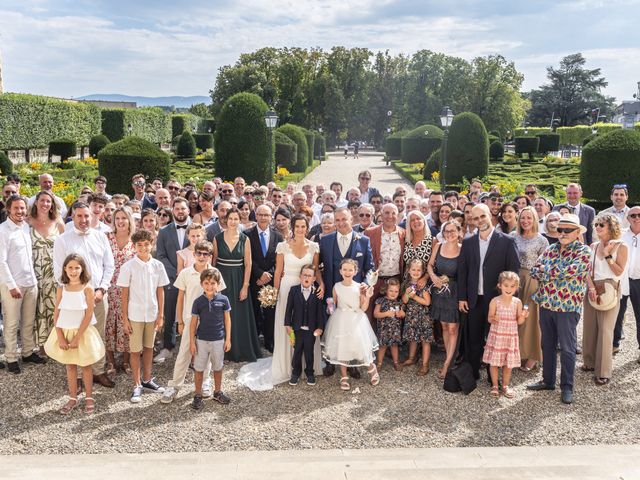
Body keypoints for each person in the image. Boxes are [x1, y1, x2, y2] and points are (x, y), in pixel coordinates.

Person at [528, 214, 592, 404]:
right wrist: (549, 272)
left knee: (567, 348)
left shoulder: (584, 251)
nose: (562, 233)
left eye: (567, 230)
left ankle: (567, 387)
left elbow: (570, 271)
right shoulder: (550, 248)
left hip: (567, 307)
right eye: (560, 229)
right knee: (546, 344)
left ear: (577, 232)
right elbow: (534, 270)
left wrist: (546, 272)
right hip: (546, 303)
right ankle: (548, 381)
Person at [53, 201, 115, 387]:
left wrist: (102, 289)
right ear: (73, 216)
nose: (83, 219)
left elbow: (109, 265)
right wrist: (75, 293)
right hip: (74, 298)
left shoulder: (101, 237)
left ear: (92, 216)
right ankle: (79, 376)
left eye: (86, 215)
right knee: (75, 334)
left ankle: (98, 371)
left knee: (98, 335)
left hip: (98, 295)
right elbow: (58, 271)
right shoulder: (62, 240)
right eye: (79, 216)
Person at [458, 203, 520, 380]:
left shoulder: (507, 241)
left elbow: (513, 271)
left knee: (497, 340)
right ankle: (473, 372)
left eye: (482, 216)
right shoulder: (468, 242)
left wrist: (510, 300)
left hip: (498, 300)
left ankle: (495, 378)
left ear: (490, 215)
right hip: (474, 298)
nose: (480, 221)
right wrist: (462, 297)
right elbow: (463, 272)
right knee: (474, 338)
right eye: (475, 218)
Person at [162, 241, 226, 403]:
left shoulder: (215, 272)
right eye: (199, 253)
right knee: (184, 352)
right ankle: (175, 385)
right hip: (190, 319)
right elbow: (181, 298)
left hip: (209, 321)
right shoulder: (185, 273)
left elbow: (219, 297)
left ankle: (205, 381)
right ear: (194, 254)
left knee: (206, 353)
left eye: (206, 254)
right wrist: (181, 321)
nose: (202, 257)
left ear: (210, 257)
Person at [44, 254, 105, 414]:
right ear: (65, 269)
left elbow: (88, 314)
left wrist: (78, 337)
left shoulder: (88, 288)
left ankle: (89, 397)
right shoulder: (61, 288)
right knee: (70, 366)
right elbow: (56, 313)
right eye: (70, 267)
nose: (73, 271)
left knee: (85, 365)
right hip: (65, 331)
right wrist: (60, 336)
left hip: (82, 333)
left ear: (82, 269)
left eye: (77, 267)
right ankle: (72, 397)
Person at [118, 229, 169, 403]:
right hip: (135, 314)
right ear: (134, 246)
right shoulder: (128, 267)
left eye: (147, 244)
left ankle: (147, 379)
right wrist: (125, 318)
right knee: (135, 350)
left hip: (152, 313)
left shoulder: (157, 266)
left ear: (151, 244)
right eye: (139, 245)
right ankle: (137, 384)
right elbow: (124, 295)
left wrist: (161, 315)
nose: (143, 248)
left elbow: (160, 291)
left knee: (148, 347)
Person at [0, 195, 44, 373]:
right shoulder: (2, 231)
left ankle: (27, 352)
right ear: (9, 209)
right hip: (13, 285)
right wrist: (12, 285)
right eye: (16, 208)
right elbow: (1, 261)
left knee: (28, 321)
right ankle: (11, 357)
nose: (20, 211)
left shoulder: (26, 227)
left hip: (30, 282)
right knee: (11, 323)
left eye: (22, 208)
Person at [583, 213, 627, 386]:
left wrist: (608, 255)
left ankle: (603, 371)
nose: (598, 227)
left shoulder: (621, 246)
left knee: (606, 330)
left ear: (611, 226)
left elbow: (618, 272)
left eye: (602, 225)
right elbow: (586, 270)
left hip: (610, 290)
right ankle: (589, 362)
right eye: (597, 225)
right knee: (590, 326)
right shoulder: (592, 246)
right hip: (593, 289)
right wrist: (591, 287)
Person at [322, 258, 379, 391]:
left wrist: (369, 296)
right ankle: (344, 376)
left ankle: (372, 369)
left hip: (356, 319)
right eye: (345, 269)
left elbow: (363, 308)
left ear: (355, 271)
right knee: (343, 347)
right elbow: (333, 306)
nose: (347, 272)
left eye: (350, 269)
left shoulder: (359, 287)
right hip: (340, 319)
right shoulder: (336, 286)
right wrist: (329, 307)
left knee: (360, 346)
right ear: (340, 271)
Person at [212, 208, 261, 362]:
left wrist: (245, 286)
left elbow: (248, 264)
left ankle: (240, 350)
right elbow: (213, 264)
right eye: (230, 219)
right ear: (226, 220)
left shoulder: (244, 239)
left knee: (239, 315)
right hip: (222, 280)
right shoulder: (217, 238)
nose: (233, 222)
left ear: (240, 221)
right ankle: (222, 352)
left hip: (239, 278)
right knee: (221, 314)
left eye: (236, 219)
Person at [154, 197, 191, 363]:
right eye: (177, 209)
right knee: (169, 313)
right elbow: (161, 255)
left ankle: (191, 348)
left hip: (193, 279)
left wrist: (188, 274)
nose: (180, 212)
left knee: (192, 312)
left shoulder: (197, 229)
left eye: (183, 209)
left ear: (188, 210)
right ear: (173, 211)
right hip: (171, 278)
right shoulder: (164, 231)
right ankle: (168, 347)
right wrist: (176, 274)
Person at [189, 268, 232, 410]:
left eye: (213, 283)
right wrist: (192, 342)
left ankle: (217, 392)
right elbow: (193, 323)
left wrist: (228, 339)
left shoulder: (223, 300)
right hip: (201, 340)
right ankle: (197, 395)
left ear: (218, 284)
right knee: (199, 368)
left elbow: (227, 320)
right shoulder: (198, 302)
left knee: (218, 367)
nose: (209, 286)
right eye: (206, 283)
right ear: (202, 284)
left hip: (218, 340)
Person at [29, 191, 65, 357]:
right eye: (42, 200)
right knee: (39, 307)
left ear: (52, 204)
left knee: (55, 306)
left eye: (48, 201)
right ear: (36, 202)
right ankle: (42, 345)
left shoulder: (58, 222)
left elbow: (66, 247)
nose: (45, 204)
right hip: (35, 270)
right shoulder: (28, 222)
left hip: (55, 271)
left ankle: (57, 343)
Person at [513, 206, 549, 372]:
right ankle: (518, 353)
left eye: (529, 218)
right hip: (513, 280)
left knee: (530, 318)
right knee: (515, 317)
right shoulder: (514, 236)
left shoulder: (542, 240)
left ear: (535, 220)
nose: (525, 221)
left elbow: (546, 265)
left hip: (531, 280)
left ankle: (533, 356)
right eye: (522, 218)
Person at [483, 271, 528, 398]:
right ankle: (495, 385)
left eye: (512, 286)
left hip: (510, 337)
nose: (509, 288)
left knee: (508, 365)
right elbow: (489, 318)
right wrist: (494, 318)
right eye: (506, 285)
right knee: (494, 363)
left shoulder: (518, 302)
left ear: (516, 287)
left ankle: (505, 386)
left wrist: (523, 316)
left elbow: (519, 321)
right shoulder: (495, 301)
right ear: (500, 285)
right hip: (497, 337)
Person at [245, 205, 283, 353]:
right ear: (255, 215)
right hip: (254, 280)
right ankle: (254, 344)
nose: (263, 217)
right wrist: (260, 274)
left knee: (269, 313)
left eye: (266, 215)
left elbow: (278, 261)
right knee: (254, 312)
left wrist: (268, 275)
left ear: (270, 216)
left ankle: (269, 342)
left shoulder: (278, 236)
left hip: (270, 281)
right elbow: (248, 258)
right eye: (260, 214)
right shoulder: (247, 234)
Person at [427, 220, 462, 379]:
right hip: (439, 292)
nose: (449, 234)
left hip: (454, 292)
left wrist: (451, 279)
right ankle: (450, 357)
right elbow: (429, 265)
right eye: (446, 231)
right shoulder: (438, 246)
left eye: (452, 231)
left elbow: (466, 273)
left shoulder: (463, 249)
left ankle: (447, 364)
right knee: (445, 328)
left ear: (459, 232)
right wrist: (433, 276)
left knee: (453, 328)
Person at [105, 207, 136, 375]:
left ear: (129, 219)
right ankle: (110, 361)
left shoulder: (135, 240)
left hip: (128, 289)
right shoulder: (106, 238)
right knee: (109, 323)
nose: (121, 221)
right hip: (109, 287)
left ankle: (125, 361)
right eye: (117, 218)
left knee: (126, 322)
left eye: (124, 217)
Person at [284, 264, 326, 386]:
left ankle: (310, 372)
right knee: (297, 351)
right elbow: (289, 309)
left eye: (310, 275)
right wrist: (287, 324)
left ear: (313, 278)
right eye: (305, 275)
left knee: (309, 351)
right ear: (300, 276)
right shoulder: (294, 290)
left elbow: (319, 312)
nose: (307, 277)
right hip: (296, 328)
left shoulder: (317, 292)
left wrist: (320, 327)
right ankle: (295, 373)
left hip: (311, 329)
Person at [365, 204, 406, 323]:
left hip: (395, 281)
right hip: (375, 280)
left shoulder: (404, 234)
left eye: (393, 213)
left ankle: (392, 341)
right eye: (387, 213)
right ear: (381, 215)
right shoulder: (370, 232)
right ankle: (373, 340)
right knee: (372, 312)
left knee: (393, 316)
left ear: (397, 215)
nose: (390, 216)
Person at [615, 207, 640, 358]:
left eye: (639, 215)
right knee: (617, 313)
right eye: (633, 215)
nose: (636, 218)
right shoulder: (621, 235)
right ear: (628, 217)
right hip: (622, 279)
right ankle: (614, 344)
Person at [401, 258, 432, 375]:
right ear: (408, 270)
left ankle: (425, 364)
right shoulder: (407, 284)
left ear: (422, 271)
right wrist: (407, 294)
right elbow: (404, 301)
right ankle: (411, 358)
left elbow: (427, 302)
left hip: (423, 316)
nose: (415, 272)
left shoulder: (422, 285)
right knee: (412, 338)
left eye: (418, 270)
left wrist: (414, 297)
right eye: (413, 269)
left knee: (425, 340)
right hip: (411, 315)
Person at [373, 278, 405, 371]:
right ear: (386, 290)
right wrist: (386, 313)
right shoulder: (380, 301)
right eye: (391, 290)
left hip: (395, 329)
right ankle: (379, 364)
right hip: (384, 329)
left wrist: (401, 314)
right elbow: (376, 314)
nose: (393, 293)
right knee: (382, 346)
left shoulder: (398, 302)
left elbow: (403, 314)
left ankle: (396, 362)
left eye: (396, 291)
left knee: (394, 346)